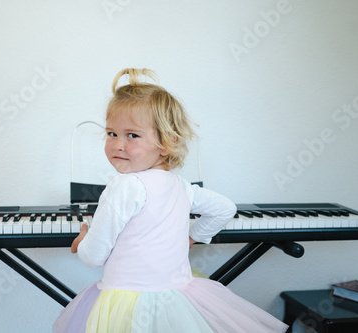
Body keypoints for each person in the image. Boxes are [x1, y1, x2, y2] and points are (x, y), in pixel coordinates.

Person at [53, 68, 288, 332]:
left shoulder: (125, 186)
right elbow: (225, 208)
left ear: (166, 143)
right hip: (176, 298)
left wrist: (83, 242)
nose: (118, 144)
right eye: (111, 133)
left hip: (128, 304)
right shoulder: (182, 186)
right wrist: (193, 235)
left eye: (132, 135)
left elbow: (94, 257)